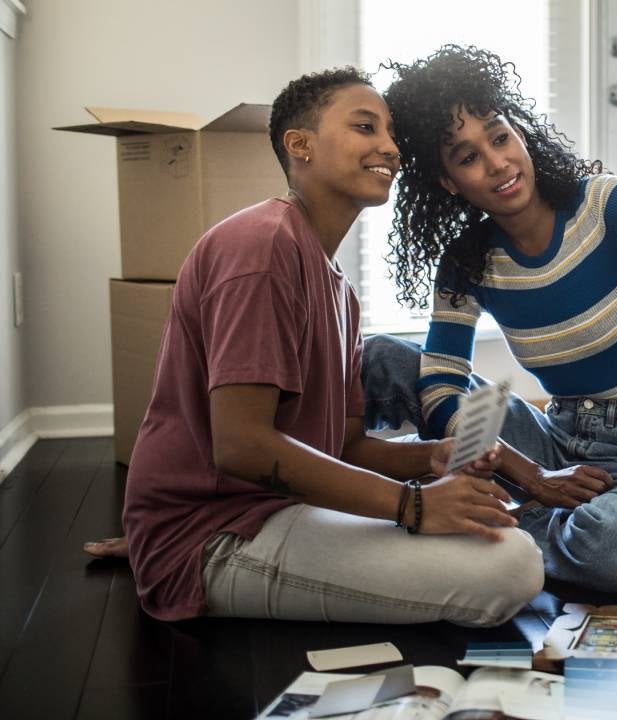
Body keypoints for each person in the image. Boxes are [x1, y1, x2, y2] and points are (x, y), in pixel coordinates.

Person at [116, 66, 543, 625]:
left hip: (281, 511)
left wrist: (428, 459)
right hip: (211, 538)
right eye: (366, 128)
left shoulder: (338, 290)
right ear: (301, 146)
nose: (389, 147)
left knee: (495, 538)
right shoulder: (260, 246)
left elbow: (342, 446)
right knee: (510, 568)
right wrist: (412, 505)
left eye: (390, 133)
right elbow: (240, 446)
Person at [364, 44, 617, 593]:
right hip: (551, 441)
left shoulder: (609, 205)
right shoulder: (467, 261)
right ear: (449, 182)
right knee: (382, 358)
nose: (497, 163)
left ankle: (454, 512)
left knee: (615, 549)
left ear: (519, 133)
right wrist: (534, 476)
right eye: (468, 156)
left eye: (499, 137)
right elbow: (440, 390)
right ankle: (369, 489)